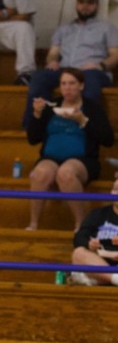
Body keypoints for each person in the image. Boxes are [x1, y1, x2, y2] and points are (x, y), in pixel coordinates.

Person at [25, 67, 114, 232]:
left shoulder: (92, 108)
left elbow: (108, 140)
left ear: (81, 86)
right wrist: (37, 115)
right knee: (40, 173)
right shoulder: (51, 106)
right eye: (64, 84)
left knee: (65, 173)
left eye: (72, 83)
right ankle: (33, 223)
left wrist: (83, 120)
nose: (67, 88)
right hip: (50, 157)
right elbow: (33, 139)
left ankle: (81, 224)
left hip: (84, 160)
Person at [21, 0, 118, 128]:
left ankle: (89, 127)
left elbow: (116, 54)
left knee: (90, 82)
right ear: (76, 4)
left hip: (93, 71)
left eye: (90, 3)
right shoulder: (64, 29)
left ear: (97, 6)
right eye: (81, 2)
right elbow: (53, 53)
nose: (85, 6)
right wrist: (52, 61)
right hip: (66, 70)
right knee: (39, 77)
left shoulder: (107, 28)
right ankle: (35, 125)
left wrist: (100, 66)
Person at [69, 175, 118, 286]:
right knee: (79, 253)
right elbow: (79, 237)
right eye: (115, 189)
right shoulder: (98, 214)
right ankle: (113, 278)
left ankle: (102, 279)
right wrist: (89, 244)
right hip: (100, 260)